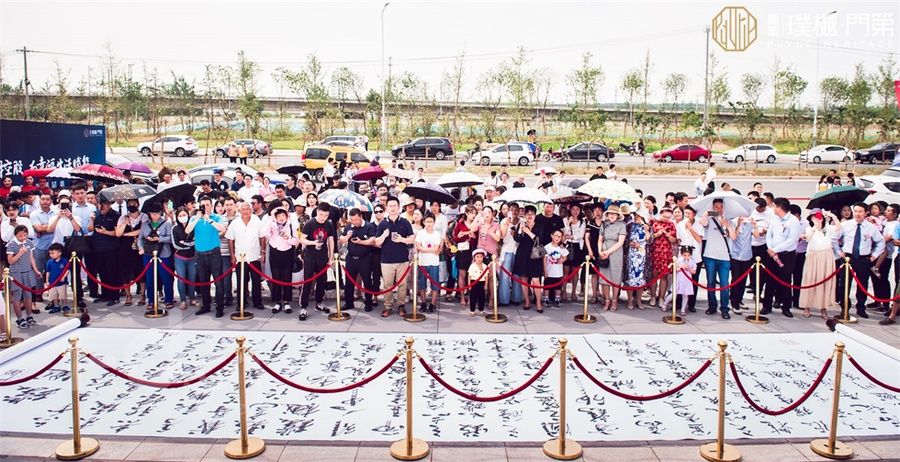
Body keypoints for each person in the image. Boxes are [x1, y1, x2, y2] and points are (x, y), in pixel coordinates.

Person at [833, 202, 885, 319]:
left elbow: (881, 241)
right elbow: (834, 238)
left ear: (866, 213)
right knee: (844, 284)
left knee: (862, 284)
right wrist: (839, 252)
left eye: (860, 212)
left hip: (863, 259)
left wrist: (874, 256)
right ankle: (845, 307)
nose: (857, 214)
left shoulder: (871, 227)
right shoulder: (845, 225)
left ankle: (861, 307)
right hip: (848, 258)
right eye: (855, 211)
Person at [186, 196, 228, 317]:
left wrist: (209, 219)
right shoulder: (194, 218)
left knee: (218, 282)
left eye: (207, 205)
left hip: (214, 254)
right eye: (203, 205)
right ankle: (206, 306)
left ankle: (219, 307)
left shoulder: (216, 217)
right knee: (204, 282)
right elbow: (187, 230)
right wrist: (197, 218)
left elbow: (222, 229)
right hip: (200, 254)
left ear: (211, 206)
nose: (205, 207)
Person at [375, 196, 415, 317]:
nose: (392, 208)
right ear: (387, 208)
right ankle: (388, 306)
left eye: (395, 206)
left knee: (402, 284)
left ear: (399, 207)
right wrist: (384, 235)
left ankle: (401, 305)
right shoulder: (382, 224)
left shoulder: (405, 222)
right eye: (390, 206)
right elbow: (377, 242)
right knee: (387, 284)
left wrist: (402, 239)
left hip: (402, 259)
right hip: (386, 260)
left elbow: (412, 238)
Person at [761, 198, 802, 318]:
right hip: (772, 254)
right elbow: (769, 234)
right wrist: (770, 248)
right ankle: (766, 306)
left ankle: (786, 307)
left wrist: (776, 250)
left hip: (786, 255)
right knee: (769, 281)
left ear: (779, 208)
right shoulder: (775, 219)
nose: (773, 208)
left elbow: (791, 240)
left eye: (774, 206)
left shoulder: (793, 221)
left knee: (785, 281)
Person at [699, 199, 737, 319]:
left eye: (721, 207)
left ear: (724, 208)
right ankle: (712, 306)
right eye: (716, 207)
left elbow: (733, 237)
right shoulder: (710, 219)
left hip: (724, 257)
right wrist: (707, 214)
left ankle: (725, 308)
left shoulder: (729, 221)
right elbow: (702, 222)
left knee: (724, 284)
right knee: (710, 282)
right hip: (710, 255)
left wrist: (727, 225)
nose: (718, 209)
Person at [226, 201, 266, 313]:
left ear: (251, 210)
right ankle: (241, 303)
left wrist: (263, 252)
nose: (245, 211)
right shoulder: (235, 223)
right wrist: (232, 256)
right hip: (240, 258)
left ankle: (257, 302)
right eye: (243, 209)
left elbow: (262, 237)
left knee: (256, 281)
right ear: (239, 211)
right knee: (241, 282)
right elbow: (230, 240)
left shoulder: (256, 221)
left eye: (247, 209)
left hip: (254, 256)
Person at [299, 203, 336, 320]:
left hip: (322, 256)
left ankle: (319, 302)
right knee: (307, 281)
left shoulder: (329, 224)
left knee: (322, 281)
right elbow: (302, 239)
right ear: (317, 212)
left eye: (326, 215)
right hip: (310, 256)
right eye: (321, 215)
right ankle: (303, 307)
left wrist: (331, 257)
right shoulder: (310, 223)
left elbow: (331, 240)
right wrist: (313, 243)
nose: (323, 218)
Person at [800, 210, 839, 319]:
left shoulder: (828, 228)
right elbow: (808, 238)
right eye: (814, 217)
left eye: (818, 217)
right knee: (810, 280)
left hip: (826, 256)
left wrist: (832, 216)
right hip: (813, 256)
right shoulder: (809, 228)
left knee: (825, 281)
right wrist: (815, 227)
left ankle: (823, 308)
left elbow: (838, 228)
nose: (817, 219)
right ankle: (807, 306)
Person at [137, 204, 175, 312]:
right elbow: (140, 238)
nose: (155, 216)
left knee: (166, 277)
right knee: (149, 278)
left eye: (157, 213)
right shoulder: (145, 224)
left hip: (163, 253)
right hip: (148, 253)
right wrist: (141, 248)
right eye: (153, 214)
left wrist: (159, 239)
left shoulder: (166, 224)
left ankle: (169, 299)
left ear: (160, 213)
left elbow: (171, 238)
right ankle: (151, 300)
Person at [341, 207, 378, 312]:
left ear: (361, 216)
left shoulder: (369, 226)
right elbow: (341, 240)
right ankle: (349, 302)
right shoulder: (349, 226)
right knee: (349, 281)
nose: (354, 222)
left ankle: (368, 302)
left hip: (365, 258)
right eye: (352, 220)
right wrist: (347, 236)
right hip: (351, 258)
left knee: (367, 281)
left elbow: (372, 241)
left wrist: (361, 242)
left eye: (356, 219)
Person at [266, 208, 300, 313]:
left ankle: (286, 302)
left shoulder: (292, 225)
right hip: (275, 252)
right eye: (278, 216)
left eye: (283, 215)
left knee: (287, 277)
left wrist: (288, 238)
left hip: (287, 253)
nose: (281, 218)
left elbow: (296, 241)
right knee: (276, 277)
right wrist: (271, 219)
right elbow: (265, 234)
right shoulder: (272, 225)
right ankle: (277, 302)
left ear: (287, 216)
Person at [7, 225, 41, 329]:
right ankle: (19, 318)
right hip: (16, 273)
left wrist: (36, 270)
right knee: (17, 296)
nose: (22, 238)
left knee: (28, 295)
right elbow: (10, 261)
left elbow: (31, 258)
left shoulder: (29, 243)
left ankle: (29, 316)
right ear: (15, 235)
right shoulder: (11, 245)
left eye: (25, 235)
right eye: (20, 236)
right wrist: (20, 252)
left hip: (28, 272)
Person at [115, 198, 147, 307]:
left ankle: (142, 295)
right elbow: (118, 233)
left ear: (138, 204)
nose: (132, 205)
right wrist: (125, 223)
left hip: (139, 247)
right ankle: (128, 296)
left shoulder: (143, 216)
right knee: (125, 271)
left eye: (134, 203)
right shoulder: (123, 217)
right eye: (129, 203)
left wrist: (127, 234)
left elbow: (142, 231)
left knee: (141, 270)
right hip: (125, 248)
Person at [91, 197, 122, 306]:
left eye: (104, 204)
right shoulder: (96, 214)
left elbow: (117, 233)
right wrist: (91, 220)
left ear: (109, 204)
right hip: (98, 247)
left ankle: (114, 296)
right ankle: (105, 294)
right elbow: (90, 229)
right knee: (102, 272)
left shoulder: (116, 215)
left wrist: (105, 232)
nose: (102, 206)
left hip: (111, 248)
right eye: (100, 204)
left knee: (112, 272)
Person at [513, 205, 545, 312]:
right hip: (523, 255)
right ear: (524, 215)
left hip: (535, 256)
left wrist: (527, 231)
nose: (530, 216)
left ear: (535, 215)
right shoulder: (521, 225)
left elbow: (539, 240)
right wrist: (520, 229)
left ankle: (538, 302)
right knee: (524, 279)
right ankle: (527, 300)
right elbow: (517, 239)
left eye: (532, 214)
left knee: (536, 280)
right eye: (528, 213)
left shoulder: (539, 226)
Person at [597, 205, 627, 311]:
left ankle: (614, 300)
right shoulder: (604, 224)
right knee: (604, 277)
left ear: (618, 215)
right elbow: (600, 239)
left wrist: (609, 252)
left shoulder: (622, 225)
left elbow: (621, 242)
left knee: (615, 277)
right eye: (610, 213)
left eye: (614, 213)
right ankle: (607, 300)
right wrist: (600, 251)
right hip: (604, 251)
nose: (612, 215)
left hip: (616, 253)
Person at [649, 207, 677, 308]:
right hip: (655, 252)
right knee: (654, 276)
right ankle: (653, 296)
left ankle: (661, 297)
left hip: (666, 253)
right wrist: (657, 234)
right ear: (660, 214)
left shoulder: (671, 225)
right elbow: (649, 237)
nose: (666, 219)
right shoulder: (654, 223)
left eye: (668, 217)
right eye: (664, 216)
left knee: (664, 276)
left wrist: (669, 236)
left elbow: (674, 240)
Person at [415, 213, 443, 313]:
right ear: (424, 222)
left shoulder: (436, 234)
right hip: (422, 262)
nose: (429, 223)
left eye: (431, 221)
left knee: (434, 284)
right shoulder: (420, 233)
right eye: (427, 221)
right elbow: (418, 247)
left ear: (434, 222)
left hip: (433, 262)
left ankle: (432, 303)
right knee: (421, 283)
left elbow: (436, 248)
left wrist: (424, 249)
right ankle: (423, 302)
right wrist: (430, 250)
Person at [624, 207, 650, 310]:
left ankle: (638, 300)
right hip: (631, 254)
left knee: (641, 279)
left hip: (643, 255)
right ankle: (630, 300)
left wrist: (646, 230)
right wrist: (630, 243)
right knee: (631, 278)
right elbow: (625, 239)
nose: (637, 217)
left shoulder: (647, 226)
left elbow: (650, 240)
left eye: (639, 216)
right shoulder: (630, 225)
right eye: (636, 215)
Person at [171, 207, 197, 310]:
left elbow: (195, 241)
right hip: (180, 257)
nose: (182, 217)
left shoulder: (193, 226)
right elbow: (175, 244)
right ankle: (183, 300)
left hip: (192, 257)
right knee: (181, 279)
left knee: (192, 278)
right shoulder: (175, 228)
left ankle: (192, 298)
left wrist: (185, 243)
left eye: (184, 215)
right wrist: (188, 245)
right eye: (180, 215)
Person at [452, 205, 478, 306]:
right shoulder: (460, 224)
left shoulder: (476, 225)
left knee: (472, 275)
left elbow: (477, 239)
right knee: (462, 274)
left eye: (474, 213)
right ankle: (462, 297)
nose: (473, 215)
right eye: (471, 213)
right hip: (462, 251)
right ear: (466, 213)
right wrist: (460, 236)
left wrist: (473, 236)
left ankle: (471, 297)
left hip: (472, 251)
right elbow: (455, 238)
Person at [498, 202, 522, 306]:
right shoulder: (504, 221)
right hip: (507, 250)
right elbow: (501, 236)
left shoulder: (522, 221)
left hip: (518, 251)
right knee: (504, 276)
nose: (514, 212)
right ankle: (504, 299)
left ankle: (516, 298)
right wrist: (507, 224)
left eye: (516, 210)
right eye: (511, 209)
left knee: (517, 275)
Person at [562, 204, 586, 302]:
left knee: (575, 271)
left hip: (577, 247)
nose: (575, 211)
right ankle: (564, 291)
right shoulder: (565, 220)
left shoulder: (582, 222)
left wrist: (572, 236)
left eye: (577, 209)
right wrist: (568, 223)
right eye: (573, 209)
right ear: (570, 210)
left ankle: (573, 292)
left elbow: (581, 235)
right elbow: (564, 233)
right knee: (565, 271)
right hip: (567, 247)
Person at [543, 229, 569, 307]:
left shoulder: (561, 248)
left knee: (558, 286)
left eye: (559, 236)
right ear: (551, 236)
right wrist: (545, 270)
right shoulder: (547, 247)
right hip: (549, 271)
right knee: (547, 286)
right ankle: (546, 299)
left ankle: (557, 298)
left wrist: (562, 260)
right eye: (555, 236)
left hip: (558, 272)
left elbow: (565, 256)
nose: (557, 238)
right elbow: (544, 259)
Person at [44, 243, 70, 314]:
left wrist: (63, 277)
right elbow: (47, 272)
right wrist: (47, 281)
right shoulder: (49, 262)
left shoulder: (64, 261)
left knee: (63, 295)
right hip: (52, 283)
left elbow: (67, 270)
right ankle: (56, 306)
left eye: (53, 253)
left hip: (61, 283)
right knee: (54, 296)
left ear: (59, 253)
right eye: (50, 253)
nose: (51, 255)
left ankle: (65, 305)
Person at [674, 245, 697, 316]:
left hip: (687, 281)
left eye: (688, 255)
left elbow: (694, 272)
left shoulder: (692, 261)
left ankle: (683, 309)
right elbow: (675, 269)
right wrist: (681, 268)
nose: (686, 257)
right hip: (679, 280)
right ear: (681, 254)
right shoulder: (679, 260)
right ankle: (665, 304)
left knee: (685, 295)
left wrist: (688, 268)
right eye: (684, 255)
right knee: (674, 293)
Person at [468, 248, 489, 316]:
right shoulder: (472, 266)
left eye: (481, 257)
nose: (479, 258)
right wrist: (469, 284)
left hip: (481, 283)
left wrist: (486, 284)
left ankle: (481, 310)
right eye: (477, 257)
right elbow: (469, 276)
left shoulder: (485, 266)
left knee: (481, 297)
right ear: (474, 258)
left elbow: (486, 276)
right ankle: (472, 310)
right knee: (473, 297)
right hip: (474, 282)